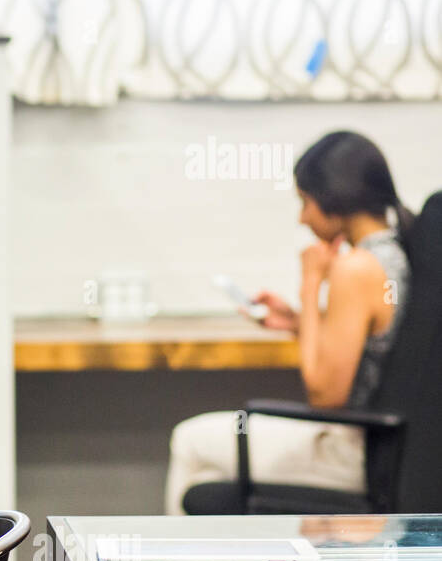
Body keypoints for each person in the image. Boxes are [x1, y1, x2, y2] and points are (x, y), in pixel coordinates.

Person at [165, 130, 414, 515]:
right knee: (203, 483)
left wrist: (311, 285)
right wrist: (300, 323)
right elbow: (373, 349)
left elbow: (324, 394)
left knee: (189, 441)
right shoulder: (396, 253)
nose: (302, 218)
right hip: (382, 444)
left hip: (349, 452)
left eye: (305, 202)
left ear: (334, 199)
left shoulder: (356, 267)